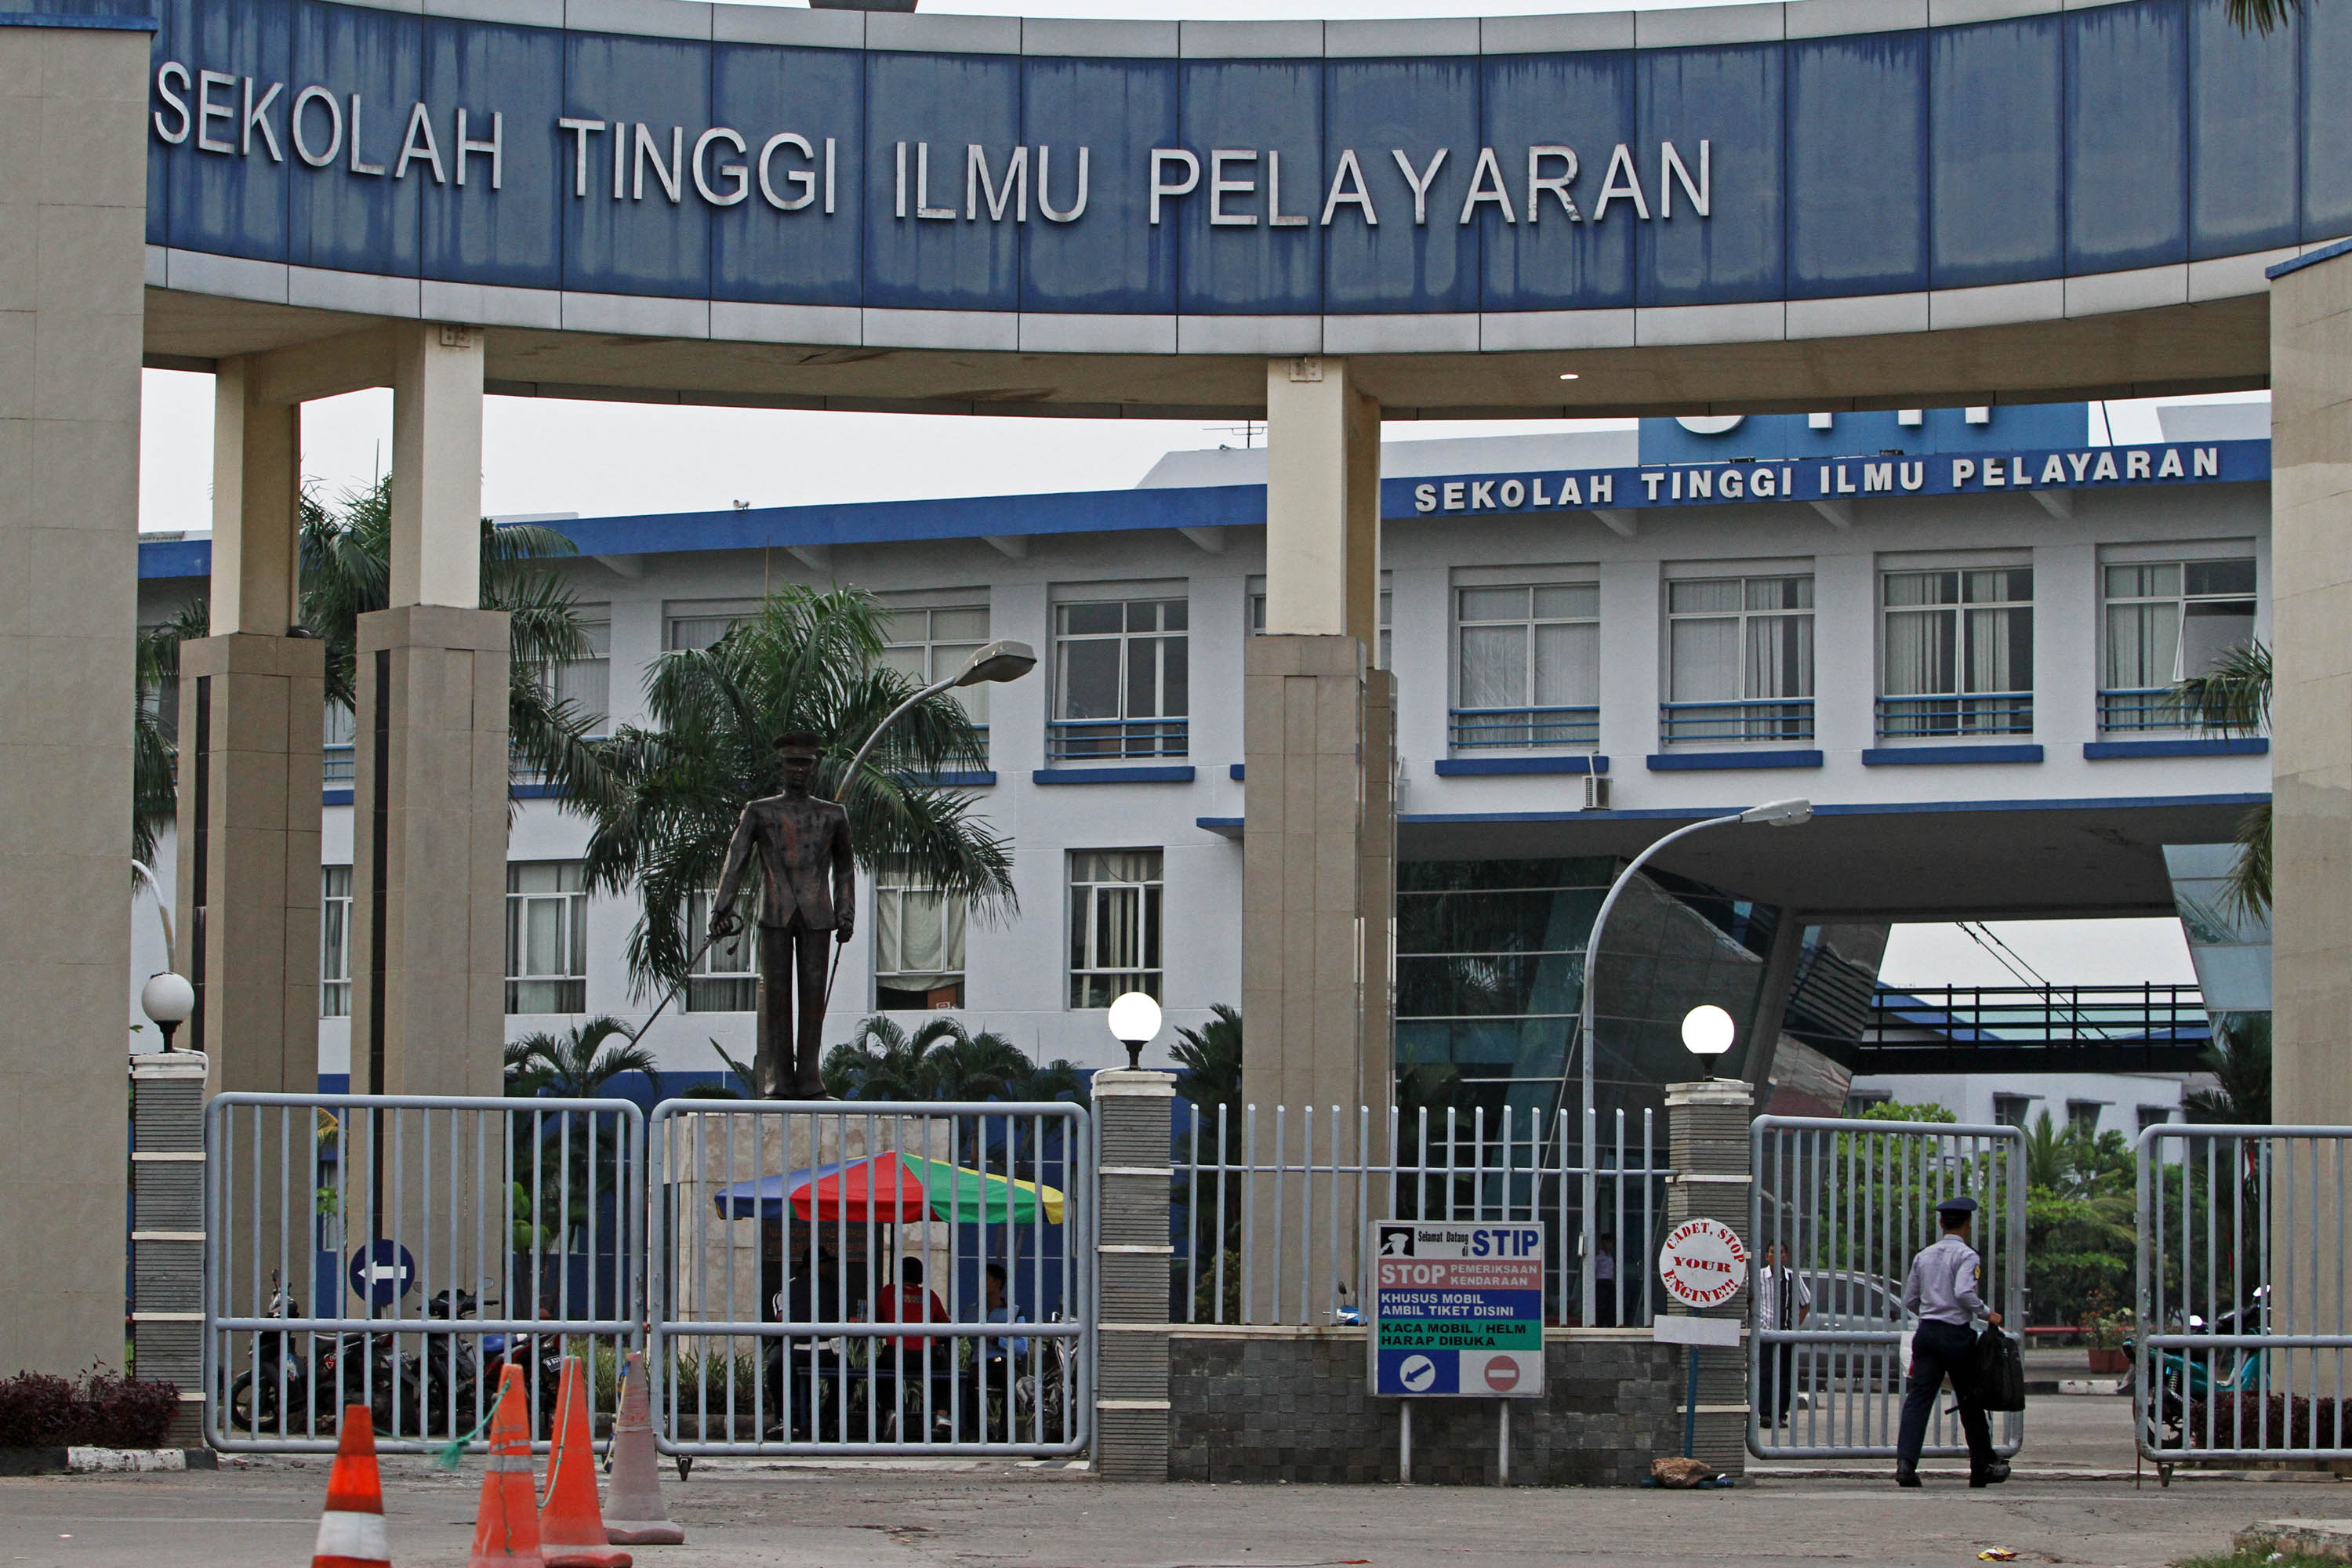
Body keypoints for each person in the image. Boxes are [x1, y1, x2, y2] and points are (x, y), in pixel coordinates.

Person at [710, 729, 855, 1098]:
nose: (799, 771)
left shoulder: (833, 815)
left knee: (812, 1000)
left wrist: (846, 911)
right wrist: (721, 909)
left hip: (818, 915)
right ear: (781, 767)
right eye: (792, 764)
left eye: (805, 764)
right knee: (776, 1000)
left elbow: (844, 869)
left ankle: (809, 1078)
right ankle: (778, 1080)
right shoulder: (759, 811)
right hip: (775, 912)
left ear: (814, 767)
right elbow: (735, 862)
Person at [1896, 1194, 2009, 1488]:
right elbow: (1963, 1292)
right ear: (1967, 1224)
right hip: (1956, 1336)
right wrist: (1988, 1314)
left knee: (1918, 1400)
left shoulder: (1924, 1255)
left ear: (1941, 1222)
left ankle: (1906, 1464)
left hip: (1928, 1333)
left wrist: (1932, 1312)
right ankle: (1981, 1466)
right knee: (1971, 1401)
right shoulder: (1968, 1256)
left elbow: (1910, 1299)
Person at [872, 1255, 949, 1440]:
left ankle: (891, 1411)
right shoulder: (929, 1295)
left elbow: (878, 1322)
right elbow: (945, 1325)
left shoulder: (889, 1292)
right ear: (920, 1276)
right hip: (927, 1357)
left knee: (879, 1371)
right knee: (947, 1371)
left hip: (895, 1355)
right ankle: (942, 1414)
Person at [1755, 1242, 1812, 1428]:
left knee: (1784, 1376)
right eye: (1772, 1252)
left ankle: (1780, 1415)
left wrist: (1794, 1324)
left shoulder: (1793, 1279)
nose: (1776, 1256)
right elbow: (1748, 1300)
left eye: (1780, 1253)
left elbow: (1806, 1302)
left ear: (1786, 1256)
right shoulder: (1758, 1277)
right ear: (1766, 1256)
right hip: (1764, 1334)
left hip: (1785, 1334)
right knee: (1764, 1374)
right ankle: (1765, 1414)